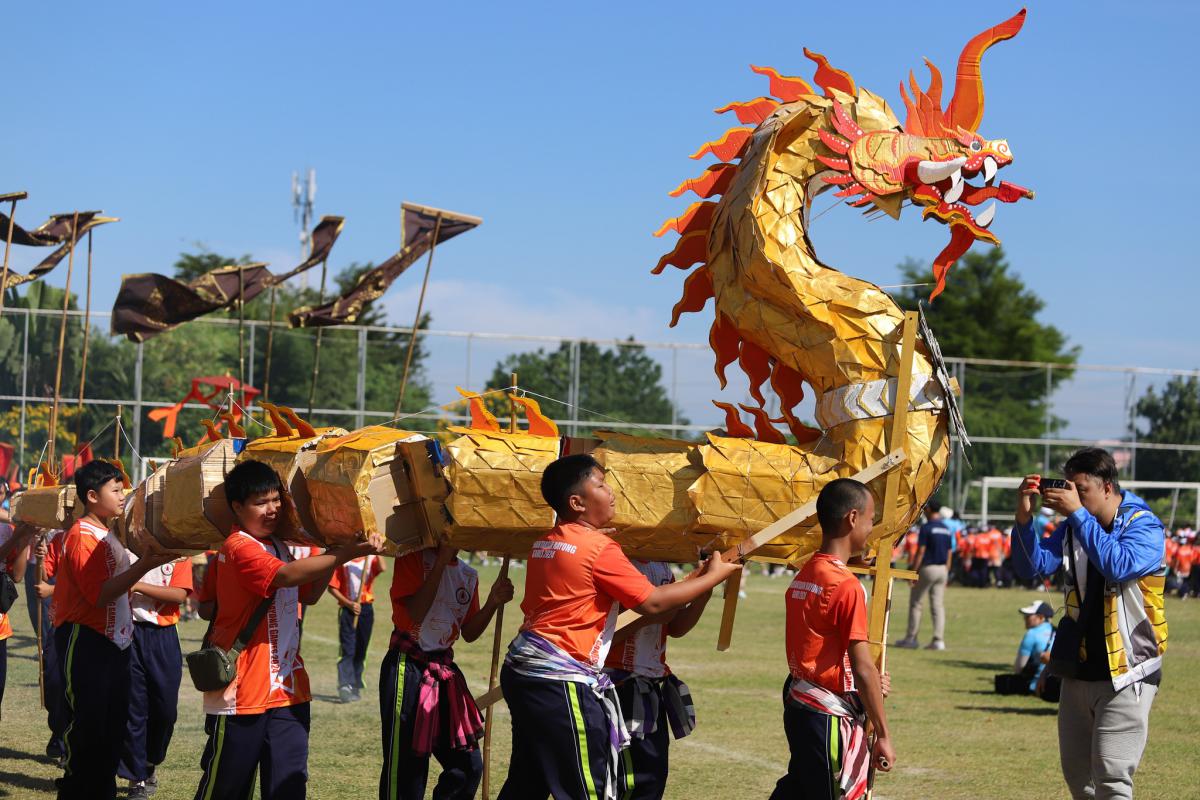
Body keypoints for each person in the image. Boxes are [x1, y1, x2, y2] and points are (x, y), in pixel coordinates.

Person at [497, 454, 740, 800]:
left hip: (524, 669)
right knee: (589, 788)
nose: (611, 492)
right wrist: (713, 577)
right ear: (577, 503)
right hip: (560, 679)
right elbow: (652, 604)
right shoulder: (598, 548)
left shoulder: (547, 541)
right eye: (600, 485)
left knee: (528, 781)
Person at [193, 460, 383, 800]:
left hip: (288, 689)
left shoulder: (279, 546)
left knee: (289, 784)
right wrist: (344, 554)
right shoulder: (238, 546)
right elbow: (284, 577)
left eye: (275, 499)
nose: (272, 509)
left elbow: (308, 594)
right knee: (227, 788)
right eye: (260, 503)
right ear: (237, 507)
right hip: (243, 692)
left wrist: (334, 548)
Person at [1011, 447, 1166, 800]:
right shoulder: (1074, 526)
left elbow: (1119, 565)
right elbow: (1031, 566)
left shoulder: (1144, 526)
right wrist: (1023, 517)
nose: (1074, 498)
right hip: (1077, 667)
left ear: (1107, 486)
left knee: (1112, 779)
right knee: (1078, 778)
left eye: (1082, 490)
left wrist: (1078, 515)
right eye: (1070, 489)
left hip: (1128, 671)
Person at [53, 460, 180, 800]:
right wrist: (144, 565)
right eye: (116, 490)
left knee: (113, 729)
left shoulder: (108, 533)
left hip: (115, 643)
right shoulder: (81, 535)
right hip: (87, 640)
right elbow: (98, 595)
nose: (123, 495)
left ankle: (102, 790)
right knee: (88, 730)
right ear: (92, 496)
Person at [770, 478, 893, 800]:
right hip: (826, 715)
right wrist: (883, 733)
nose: (871, 529)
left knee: (798, 788)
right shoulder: (846, 586)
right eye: (870, 520)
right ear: (852, 518)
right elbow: (862, 667)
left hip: (800, 705)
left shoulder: (807, 573)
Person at [378, 541, 511, 800]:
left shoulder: (468, 575)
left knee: (467, 766)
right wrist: (441, 562)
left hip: (445, 673)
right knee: (407, 770)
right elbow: (415, 613)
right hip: (408, 668)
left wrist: (493, 602)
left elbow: (469, 632)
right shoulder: (413, 558)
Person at [603, 559, 711, 799]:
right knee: (625, 779)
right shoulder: (616, 560)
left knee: (652, 776)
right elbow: (603, 634)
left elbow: (675, 627)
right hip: (616, 684)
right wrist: (652, 613)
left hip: (650, 685)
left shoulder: (661, 563)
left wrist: (703, 592)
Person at [118, 554, 194, 799]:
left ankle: (151, 760)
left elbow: (179, 594)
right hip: (128, 631)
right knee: (134, 708)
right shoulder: (123, 547)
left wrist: (136, 585)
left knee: (165, 711)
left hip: (163, 634)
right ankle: (136, 777)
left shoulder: (178, 551)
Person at [328, 552, 385, 703]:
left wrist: (376, 551)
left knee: (361, 649)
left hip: (366, 609)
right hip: (348, 609)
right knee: (348, 648)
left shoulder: (370, 559)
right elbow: (332, 588)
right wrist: (348, 604)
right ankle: (345, 685)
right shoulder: (343, 560)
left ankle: (355, 685)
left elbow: (382, 568)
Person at [895, 502, 953, 650]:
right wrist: (947, 570)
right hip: (943, 569)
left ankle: (911, 639)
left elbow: (921, 552)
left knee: (916, 603)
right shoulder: (946, 529)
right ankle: (938, 640)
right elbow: (949, 552)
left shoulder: (927, 528)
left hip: (929, 568)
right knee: (937, 605)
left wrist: (913, 571)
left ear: (929, 509)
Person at [0, 520, 34, 719]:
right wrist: (15, 538)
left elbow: (18, 575)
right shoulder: (10, 533)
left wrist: (25, 540)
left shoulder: (6, 529)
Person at [994, 601, 1054, 696]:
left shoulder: (1032, 634)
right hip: (1057, 686)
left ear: (1041, 617)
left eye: (1028, 616)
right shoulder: (1057, 631)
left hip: (1036, 686)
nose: (1024, 618)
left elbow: (1019, 668)